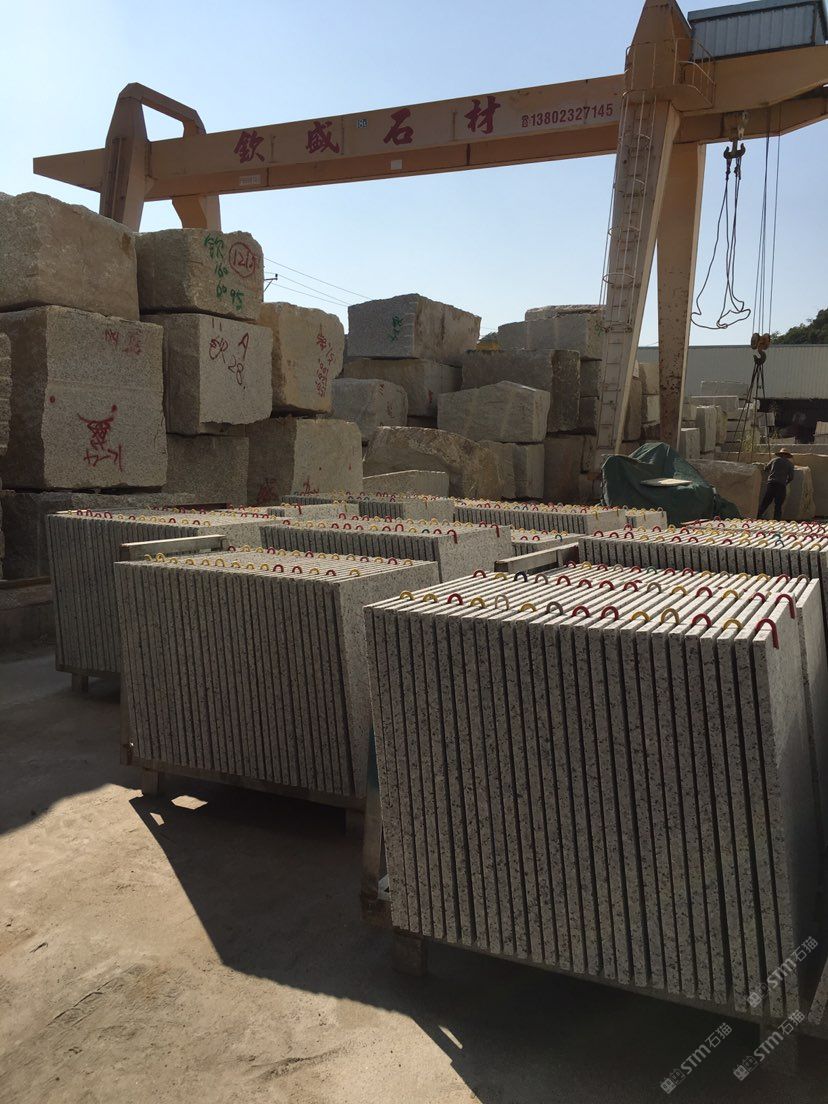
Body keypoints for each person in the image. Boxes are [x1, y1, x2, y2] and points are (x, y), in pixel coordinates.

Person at [757, 448, 795, 520]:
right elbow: (791, 477)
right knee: (778, 505)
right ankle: (776, 520)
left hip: (771, 483)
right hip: (781, 485)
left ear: (780, 454)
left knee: (766, 502)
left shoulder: (774, 460)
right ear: (787, 456)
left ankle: (758, 516)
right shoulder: (790, 464)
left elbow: (766, 468)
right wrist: (786, 483)